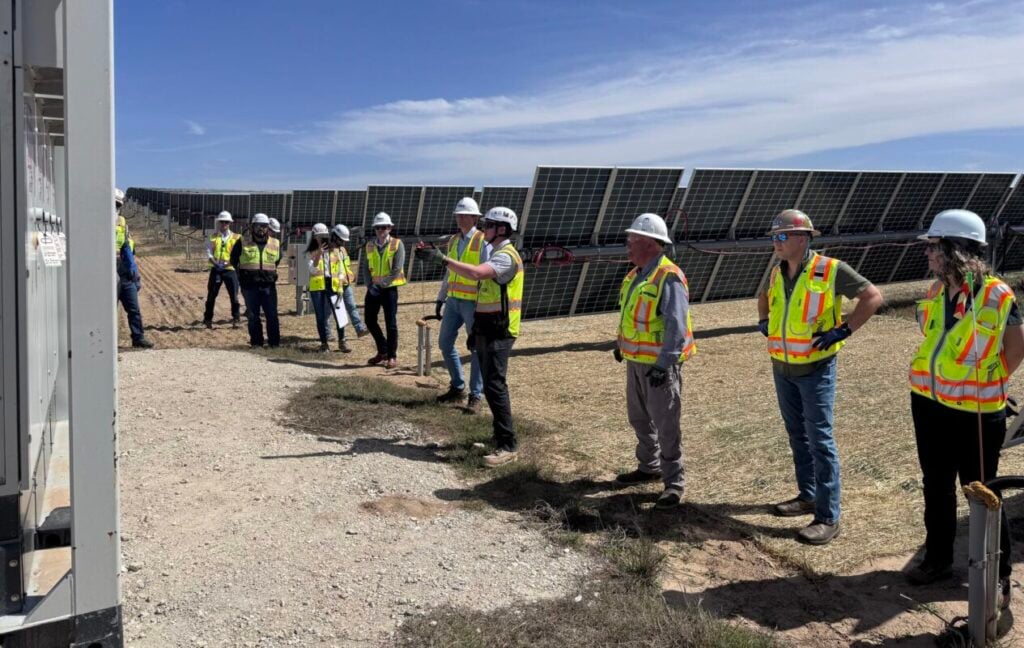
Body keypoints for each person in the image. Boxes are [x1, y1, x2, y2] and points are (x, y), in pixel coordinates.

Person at [905, 209, 1024, 609]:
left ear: (954, 249)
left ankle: (997, 574)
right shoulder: (936, 291)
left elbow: (1016, 348)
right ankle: (937, 560)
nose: (927, 253)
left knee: (983, 491)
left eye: (933, 246)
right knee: (935, 484)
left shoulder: (997, 294)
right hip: (929, 403)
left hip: (976, 412)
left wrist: (990, 382)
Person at [757, 209, 883, 545]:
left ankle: (828, 517)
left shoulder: (831, 269)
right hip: (783, 367)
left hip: (816, 369)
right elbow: (763, 298)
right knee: (797, 435)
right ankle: (808, 495)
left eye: (781, 236)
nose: (775, 242)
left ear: (802, 238)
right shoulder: (776, 271)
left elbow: (873, 297)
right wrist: (763, 321)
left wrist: (844, 330)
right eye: (774, 237)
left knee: (820, 441)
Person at [418, 207, 524, 467]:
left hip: (501, 330)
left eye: (489, 225)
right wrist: (476, 329)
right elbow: (484, 293)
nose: (484, 228)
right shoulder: (496, 252)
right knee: (491, 385)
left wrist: (442, 259)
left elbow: (477, 274)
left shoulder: (506, 257)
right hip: (488, 327)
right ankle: (499, 437)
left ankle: (508, 446)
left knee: (495, 386)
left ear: (502, 229)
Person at [612, 213, 695, 509]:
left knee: (666, 424)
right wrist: (620, 344)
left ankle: (674, 483)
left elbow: (676, 325)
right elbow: (630, 315)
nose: (627, 244)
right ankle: (649, 466)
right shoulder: (635, 275)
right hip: (636, 361)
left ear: (649, 243)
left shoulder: (668, 276)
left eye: (632, 239)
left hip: (659, 366)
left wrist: (664, 364)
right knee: (639, 418)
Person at [435, 197, 492, 412]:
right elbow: (449, 271)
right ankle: (457, 386)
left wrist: (483, 305)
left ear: (475, 217)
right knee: (444, 343)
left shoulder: (483, 241)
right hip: (453, 301)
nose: (460, 218)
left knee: (476, 348)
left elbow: (486, 274)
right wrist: (441, 297)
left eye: (464, 215)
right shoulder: (452, 241)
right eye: (458, 215)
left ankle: (476, 395)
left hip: (473, 303)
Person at [362, 212, 406, 369]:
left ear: (390, 228)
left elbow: (397, 268)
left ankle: (392, 356)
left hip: (389, 289)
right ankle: (383, 350)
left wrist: (383, 284)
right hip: (373, 289)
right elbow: (365, 267)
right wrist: (369, 285)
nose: (381, 230)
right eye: (378, 227)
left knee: (390, 323)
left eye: (384, 227)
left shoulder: (397, 244)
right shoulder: (369, 245)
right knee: (369, 320)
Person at [232, 213, 280, 348]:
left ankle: (274, 343)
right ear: (252, 227)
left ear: (268, 228)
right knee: (253, 316)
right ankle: (257, 343)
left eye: (264, 226)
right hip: (250, 286)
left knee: (272, 315)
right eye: (258, 226)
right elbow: (233, 260)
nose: (261, 229)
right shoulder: (242, 242)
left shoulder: (275, 243)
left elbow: (276, 261)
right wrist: (242, 277)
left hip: (268, 286)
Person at [114, 190, 153, 349]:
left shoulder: (122, 223)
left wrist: (133, 270)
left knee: (134, 308)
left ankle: (138, 337)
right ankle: (108, 343)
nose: (115, 208)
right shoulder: (98, 222)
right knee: (109, 310)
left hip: (123, 270)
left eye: (117, 205)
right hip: (107, 269)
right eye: (113, 205)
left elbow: (126, 248)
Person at [331, 224, 370, 349]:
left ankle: (359, 329)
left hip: (345, 284)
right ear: (334, 237)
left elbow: (345, 266)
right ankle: (339, 339)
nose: (343, 242)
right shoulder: (328, 251)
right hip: (334, 287)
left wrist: (349, 276)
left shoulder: (342, 250)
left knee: (352, 307)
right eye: (341, 240)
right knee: (339, 314)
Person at [203, 211, 242, 329]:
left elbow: (239, 255)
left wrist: (229, 264)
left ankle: (236, 318)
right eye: (222, 222)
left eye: (226, 222)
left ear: (230, 223)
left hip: (230, 269)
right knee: (211, 295)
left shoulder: (237, 238)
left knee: (234, 296)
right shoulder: (212, 237)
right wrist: (216, 264)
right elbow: (209, 253)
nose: (224, 224)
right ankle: (207, 319)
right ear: (219, 223)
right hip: (216, 269)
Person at [307, 223, 342, 352]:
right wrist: (318, 255)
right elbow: (312, 270)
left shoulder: (335, 251)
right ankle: (324, 343)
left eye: (324, 236)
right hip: (318, 288)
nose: (322, 239)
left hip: (332, 285)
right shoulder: (311, 252)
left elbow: (340, 269)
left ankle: (342, 341)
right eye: (319, 236)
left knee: (338, 313)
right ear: (314, 237)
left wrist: (340, 285)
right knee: (320, 316)